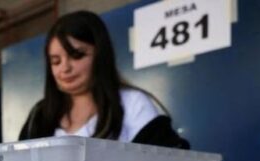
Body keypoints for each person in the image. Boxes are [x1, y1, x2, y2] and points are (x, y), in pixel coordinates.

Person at [19, 11, 189, 148]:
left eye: (77, 55)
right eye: (55, 61)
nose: (65, 68)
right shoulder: (40, 115)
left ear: (101, 54)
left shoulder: (133, 104)